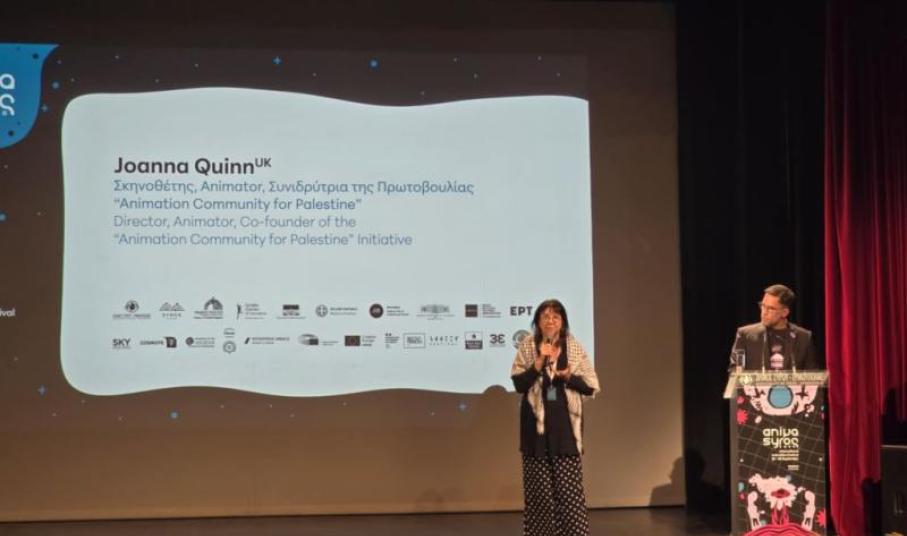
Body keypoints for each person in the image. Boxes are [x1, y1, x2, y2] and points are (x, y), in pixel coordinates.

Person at [510, 299, 599, 536]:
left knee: (569, 494)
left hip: (565, 430)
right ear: (538, 322)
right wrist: (538, 363)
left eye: (556, 317)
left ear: (563, 322)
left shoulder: (573, 347)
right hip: (535, 430)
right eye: (545, 316)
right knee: (538, 493)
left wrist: (569, 376)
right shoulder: (528, 346)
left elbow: (590, 386)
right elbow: (519, 384)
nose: (550, 320)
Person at [729, 284, 818, 371]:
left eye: (770, 308)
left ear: (785, 312)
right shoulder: (745, 335)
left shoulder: (804, 337)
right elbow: (735, 373)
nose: (764, 312)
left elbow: (813, 375)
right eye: (763, 306)